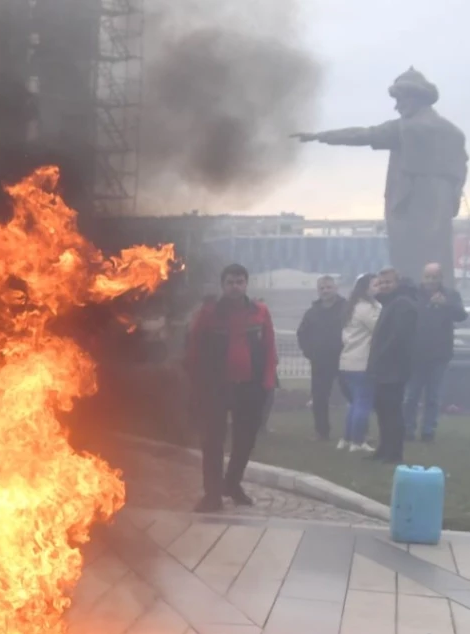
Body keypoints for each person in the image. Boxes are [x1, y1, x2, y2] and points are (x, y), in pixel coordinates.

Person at [297, 69, 467, 282]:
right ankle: (439, 297)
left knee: (409, 262)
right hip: (440, 210)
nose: (397, 107)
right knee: (438, 259)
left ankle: (413, 299)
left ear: (415, 98)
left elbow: (362, 135)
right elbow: (460, 173)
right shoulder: (453, 133)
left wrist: (320, 136)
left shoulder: (406, 128)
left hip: (409, 206)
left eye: (401, 101)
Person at [185, 264, 278, 512]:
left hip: (250, 388)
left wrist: (267, 382)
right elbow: (194, 349)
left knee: (245, 441)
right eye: (230, 282)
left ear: (246, 284)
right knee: (213, 441)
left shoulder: (260, 312)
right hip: (216, 388)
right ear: (223, 285)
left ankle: (232, 484)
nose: (235, 286)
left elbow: (270, 349)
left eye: (239, 281)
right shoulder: (209, 313)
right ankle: (212, 495)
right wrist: (196, 383)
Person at [404, 262, 467, 443]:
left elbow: (461, 316)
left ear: (441, 278)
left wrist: (446, 305)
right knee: (411, 396)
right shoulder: (414, 294)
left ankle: (428, 431)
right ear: (422, 277)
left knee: (434, 396)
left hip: (440, 354)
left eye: (434, 277)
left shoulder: (451, 295)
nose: (430, 281)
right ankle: (408, 429)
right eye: (427, 277)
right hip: (416, 353)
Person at [368, 267, 420, 462]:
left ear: (397, 283)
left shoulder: (403, 304)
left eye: (388, 282)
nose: (384, 286)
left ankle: (394, 453)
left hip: (394, 368)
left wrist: (381, 356)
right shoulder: (390, 303)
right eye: (381, 283)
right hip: (383, 367)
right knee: (382, 410)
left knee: (392, 411)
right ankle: (383, 449)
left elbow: (399, 337)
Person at [295, 275, 346, 441]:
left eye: (328, 287)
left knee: (353, 396)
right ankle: (321, 432)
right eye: (322, 288)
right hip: (320, 361)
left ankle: (358, 432)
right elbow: (302, 334)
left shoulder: (347, 309)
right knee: (319, 397)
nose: (325, 291)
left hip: (344, 359)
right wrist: (309, 352)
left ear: (336, 288)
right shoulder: (312, 312)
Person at [338, 273, 380, 453]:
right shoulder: (366, 308)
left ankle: (346, 439)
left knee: (355, 403)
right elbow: (378, 327)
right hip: (362, 362)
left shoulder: (352, 306)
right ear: (365, 288)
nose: (378, 287)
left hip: (347, 362)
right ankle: (358, 441)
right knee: (363, 403)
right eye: (375, 284)